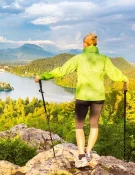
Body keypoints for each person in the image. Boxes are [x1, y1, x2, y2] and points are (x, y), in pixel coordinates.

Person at [34, 33, 128, 168]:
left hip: (83, 97)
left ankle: (81, 155)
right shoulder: (104, 59)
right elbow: (115, 74)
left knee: (79, 126)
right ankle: (88, 151)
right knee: (94, 125)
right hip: (98, 97)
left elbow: (61, 71)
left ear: (85, 44)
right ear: (96, 44)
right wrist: (125, 79)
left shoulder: (79, 58)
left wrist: (42, 76)